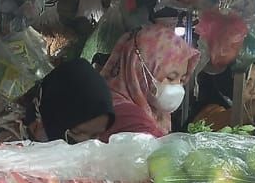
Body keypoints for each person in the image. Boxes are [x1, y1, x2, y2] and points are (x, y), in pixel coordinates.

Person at [33, 57, 164, 144]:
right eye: (79, 133)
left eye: (96, 136)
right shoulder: (18, 156)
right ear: (54, 118)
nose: (89, 145)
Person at [101, 23, 200, 137]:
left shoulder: (154, 112)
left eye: (182, 79)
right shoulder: (129, 119)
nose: (177, 87)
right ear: (139, 68)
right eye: (171, 77)